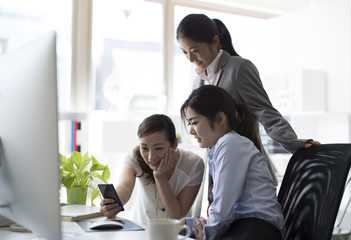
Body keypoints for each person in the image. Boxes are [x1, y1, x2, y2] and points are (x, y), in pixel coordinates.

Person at [176, 14, 320, 182]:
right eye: (184, 52)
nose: (190, 58)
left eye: (195, 50)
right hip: (218, 170)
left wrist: (295, 144)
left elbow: (266, 113)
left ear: (215, 41)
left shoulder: (239, 68)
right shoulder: (197, 80)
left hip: (248, 170)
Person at [180, 85, 284, 240]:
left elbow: (223, 208)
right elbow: (225, 210)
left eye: (194, 122)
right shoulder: (223, 146)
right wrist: (191, 223)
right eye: (190, 124)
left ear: (220, 118)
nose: (191, 131)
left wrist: (206, 235)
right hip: (247, 227)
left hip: (256, 231)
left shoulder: (229, 144)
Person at [99, 114, 205, 224]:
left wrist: (160, 177)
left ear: (174, 144)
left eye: (158, 148)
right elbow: (125, 186)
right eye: (144, 148)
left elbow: (177, 215)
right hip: (140, 230)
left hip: (175, 234)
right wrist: (112, 204)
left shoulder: (193, 164)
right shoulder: (135, 156)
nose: (151, 157)